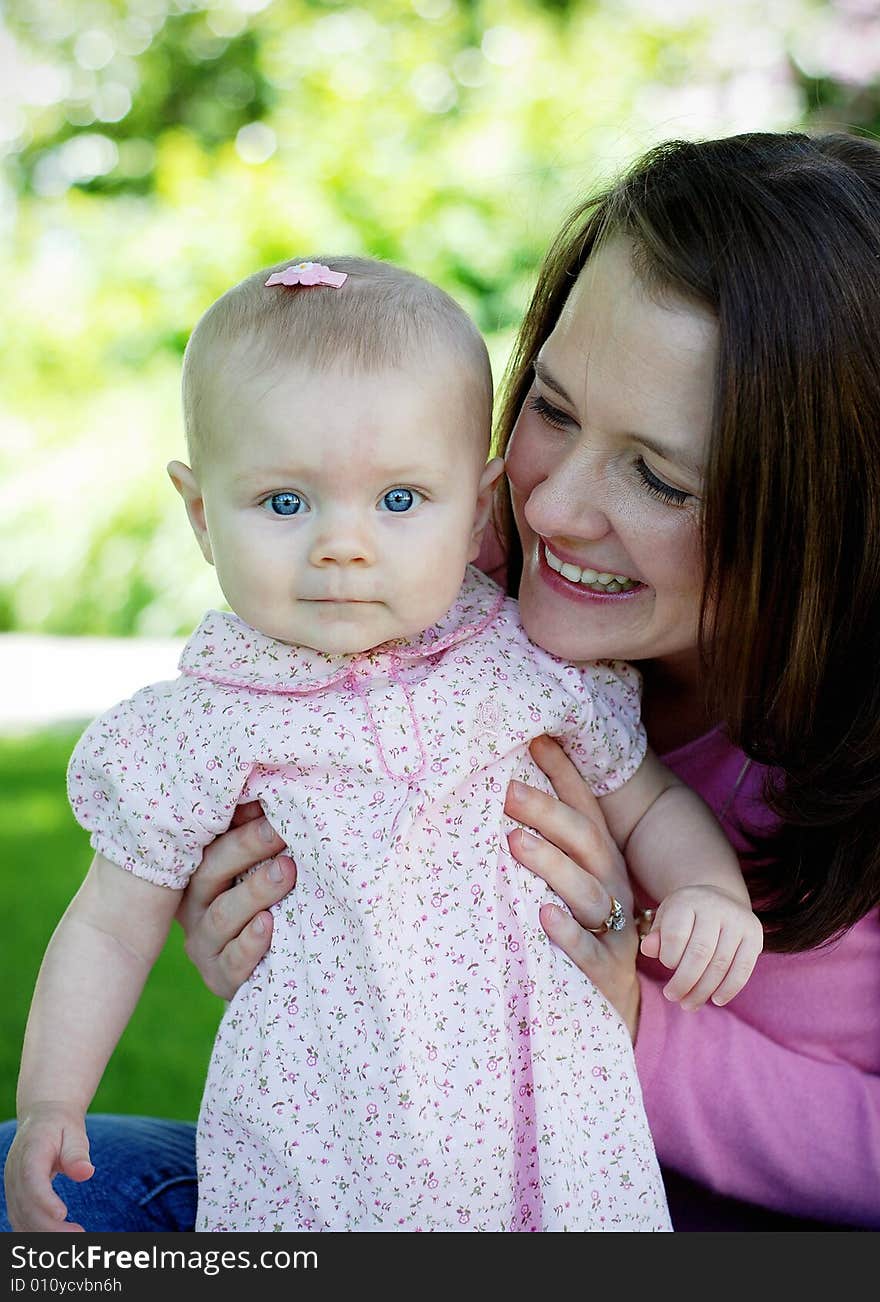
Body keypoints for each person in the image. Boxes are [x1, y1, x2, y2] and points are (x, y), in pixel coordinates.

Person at [4, 125, 878, 1234]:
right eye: (551, 410)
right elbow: (125, 914)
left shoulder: (532, 683)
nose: (547, 507)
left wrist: (635, 1021)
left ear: (823, 517)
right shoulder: (418, 604)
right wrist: (288, 949)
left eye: (658, 475)